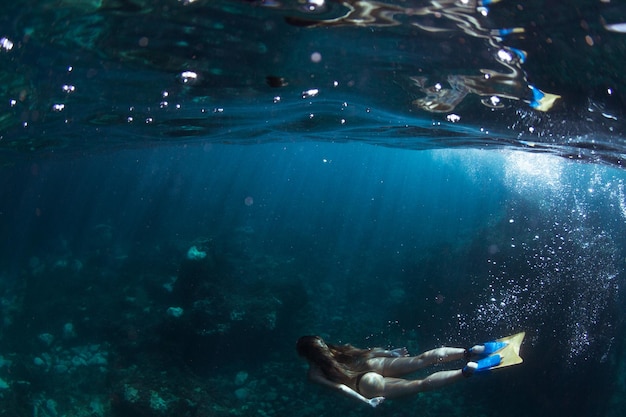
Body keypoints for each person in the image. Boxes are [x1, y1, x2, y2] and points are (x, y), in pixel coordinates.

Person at [296, 335, 504, 408]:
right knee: (422, 359)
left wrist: (366, 402)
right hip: (374, 363)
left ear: (305, 356)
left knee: (420, 384)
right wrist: (390, 352)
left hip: (365, 384)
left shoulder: (313, 374)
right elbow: (363, 352)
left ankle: (468, 371)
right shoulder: (336, 349)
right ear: (321, 344)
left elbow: (341, 387)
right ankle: (472, 351)